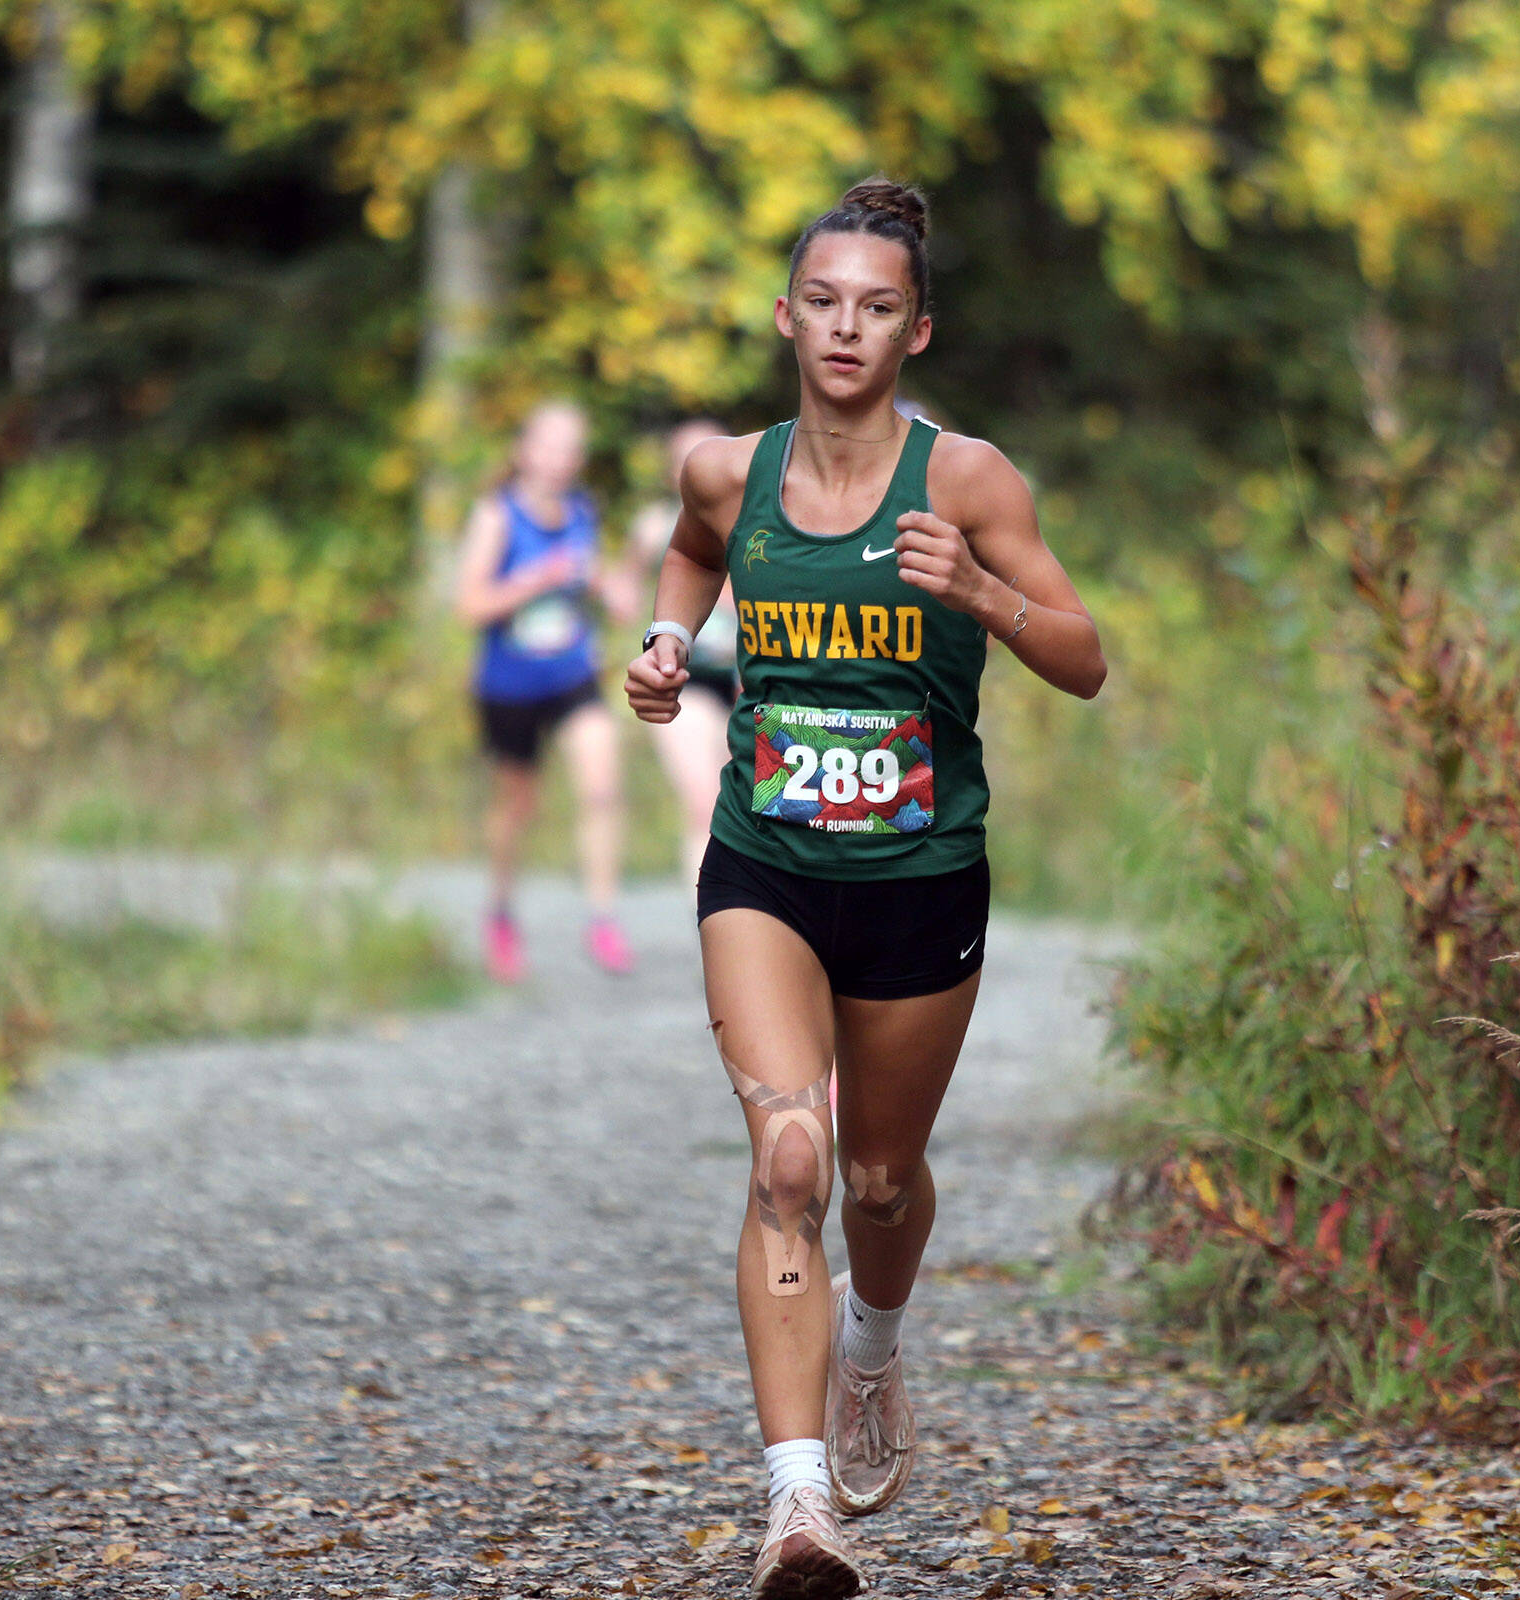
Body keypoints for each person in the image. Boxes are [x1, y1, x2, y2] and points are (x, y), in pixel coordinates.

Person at [624, 179, 1105, 1599]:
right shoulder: (729, 468)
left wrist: (977, 593)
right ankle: (799, 1512)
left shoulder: (967, 483)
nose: (845, 327)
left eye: (876, 307)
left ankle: (875, 1355)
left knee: (881, 1182)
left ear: (917, 331)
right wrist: (665, 641)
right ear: (787, 317)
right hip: (765, 863)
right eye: (823, 301)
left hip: (919, 880)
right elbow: (695, 551)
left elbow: (1083, 657)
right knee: (791, 1157)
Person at [457, 399, 634, 982]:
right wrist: (536, 580)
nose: (561, 460)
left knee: (603, 787)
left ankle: (603, 920)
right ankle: (501, 915)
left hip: (572, 675)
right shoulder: (497, 515)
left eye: (571, 449)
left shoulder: (583, 511)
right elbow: (470, 606)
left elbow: (597, 582)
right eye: (550, 446)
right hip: (508, 686)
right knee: (518, 806)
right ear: (524, 451)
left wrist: (609, 591)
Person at [627, 418, 742, 875]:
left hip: (746, 679)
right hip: (686, 678)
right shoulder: (654, 525)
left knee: (745, 804)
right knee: (702, 799)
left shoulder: (756, 521)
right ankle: (706, 922)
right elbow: (625, 584)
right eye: (689, 459)